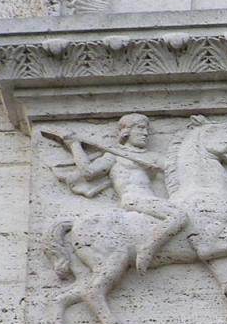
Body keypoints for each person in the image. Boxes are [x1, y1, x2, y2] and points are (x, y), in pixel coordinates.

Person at [58, 114, 187, 273]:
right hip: (133, 198)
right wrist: (74, 145)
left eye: (146, 130)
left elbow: (179, 170)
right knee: (178, 215)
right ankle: (147, 248)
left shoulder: (151, 156)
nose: (145, 133)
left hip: (151, 199)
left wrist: (163, 168)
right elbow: (88, 172)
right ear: (127, 131)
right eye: (140, 128)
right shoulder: (114, 155)